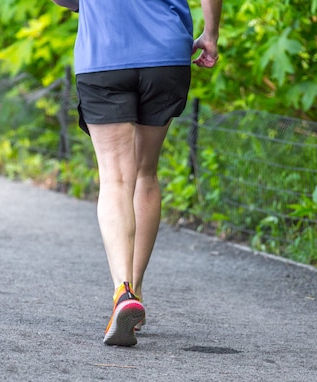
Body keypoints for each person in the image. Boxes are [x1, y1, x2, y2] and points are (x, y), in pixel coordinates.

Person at [51, 0, 223, 346]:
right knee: (145, 173)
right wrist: (211, 34)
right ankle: (136, 287)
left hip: (104, 52)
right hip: (165, 53)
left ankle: (123, 290)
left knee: (115, 178)